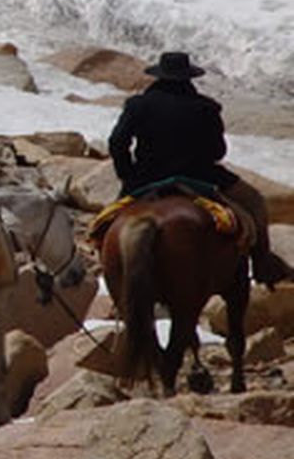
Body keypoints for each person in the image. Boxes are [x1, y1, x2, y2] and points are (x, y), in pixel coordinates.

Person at [108, 51, 293, 288]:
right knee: (255, 202)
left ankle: (107, 266)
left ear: (159, 76)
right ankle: (262, 264)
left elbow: (117, 142)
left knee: (107, 222)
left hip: (146, 178)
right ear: (188, 78)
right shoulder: (206, 107)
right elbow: (217, 152)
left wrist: (128, 175)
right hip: (199, 177)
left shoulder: (138, 105)